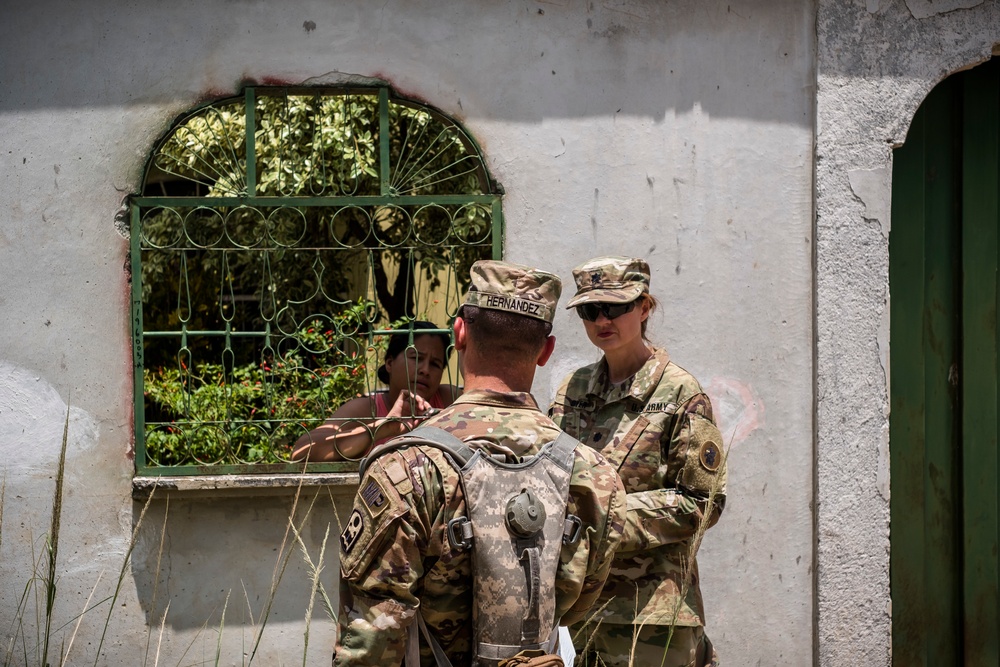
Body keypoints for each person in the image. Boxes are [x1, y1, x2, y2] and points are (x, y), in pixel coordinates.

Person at [334, 260, 626, 666]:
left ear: (459, 334)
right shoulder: (594, 474)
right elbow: (577, 604)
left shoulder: (407, 466)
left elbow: (371, 634)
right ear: (546, 351)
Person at [548, 256, 726, 667]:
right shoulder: (571, 391)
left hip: (652, 619)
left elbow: (702, 502)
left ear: (645, 307)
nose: (601, 320)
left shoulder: (680, 392)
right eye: (591, 311)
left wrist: (605, 519)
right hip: (580, 613)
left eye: (615, 307)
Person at [292, 321, 460, 461]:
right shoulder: (366, 409)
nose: (425, 370)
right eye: (416, 358)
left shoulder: (449, 400)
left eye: (435, 364)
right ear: (389, 364)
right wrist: (383, 428)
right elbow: (301, 452)